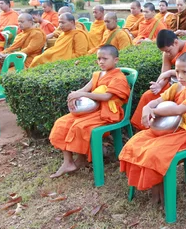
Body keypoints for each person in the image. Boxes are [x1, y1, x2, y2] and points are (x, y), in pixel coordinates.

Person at [119, 52, 186, 203]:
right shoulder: (177, 86)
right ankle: (156, 186)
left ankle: (159, 190)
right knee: (135, 143)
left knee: (155, 152)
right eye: (177, 71)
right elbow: (159, 99)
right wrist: (147, 106)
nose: (180, 76)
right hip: (170, 128)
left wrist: (153, 111)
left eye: (185, 72)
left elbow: (179, 110)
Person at [49, 45, 131, 178]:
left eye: (105, 58)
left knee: (80, 126)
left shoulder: (118, 78)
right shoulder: (97, 75)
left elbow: (106, 97)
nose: (101, 62)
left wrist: (86, 96)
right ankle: (68, 161)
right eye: (99, 59)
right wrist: (74, 95)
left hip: (108, 113)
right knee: (62, 123)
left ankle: (82, 158)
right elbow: (85, 89)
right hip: (93, 110)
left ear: (115, 60)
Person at [130, 29, 186, 130]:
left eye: (168, 51)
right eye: (164, 52)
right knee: (148, 96)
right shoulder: (167, 53)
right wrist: (159, 85)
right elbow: (164, 74)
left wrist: (171, 73)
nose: (167, 54)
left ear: (176, 42)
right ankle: (145, 127)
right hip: (177, 85)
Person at [0, 13, 46, 85]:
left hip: (29, 61)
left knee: (6, 75)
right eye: (18, 21)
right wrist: (3, 53)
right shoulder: (21, 34)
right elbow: (12, 47)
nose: (19, 24)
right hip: (18, 57)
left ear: (30, 22)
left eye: (22, 22)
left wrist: (10, 56)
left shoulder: (37, 34)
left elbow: (29, 49)